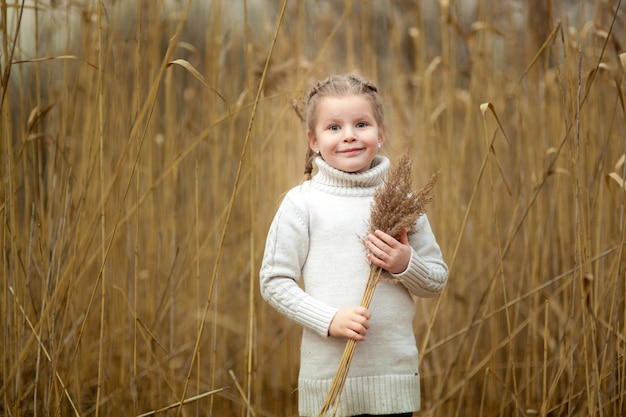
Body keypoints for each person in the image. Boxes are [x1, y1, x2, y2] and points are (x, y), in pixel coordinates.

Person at [260, 74, 448, 417]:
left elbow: (436, 279)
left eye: (361, 124)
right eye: (334, 127)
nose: (349, 135)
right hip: (330, 382)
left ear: (381, 134)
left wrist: (405, 263)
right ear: (313, 140)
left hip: (393, 381)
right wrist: (329, 319)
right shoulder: (302, 203)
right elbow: (274, 282)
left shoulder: (403, 202)